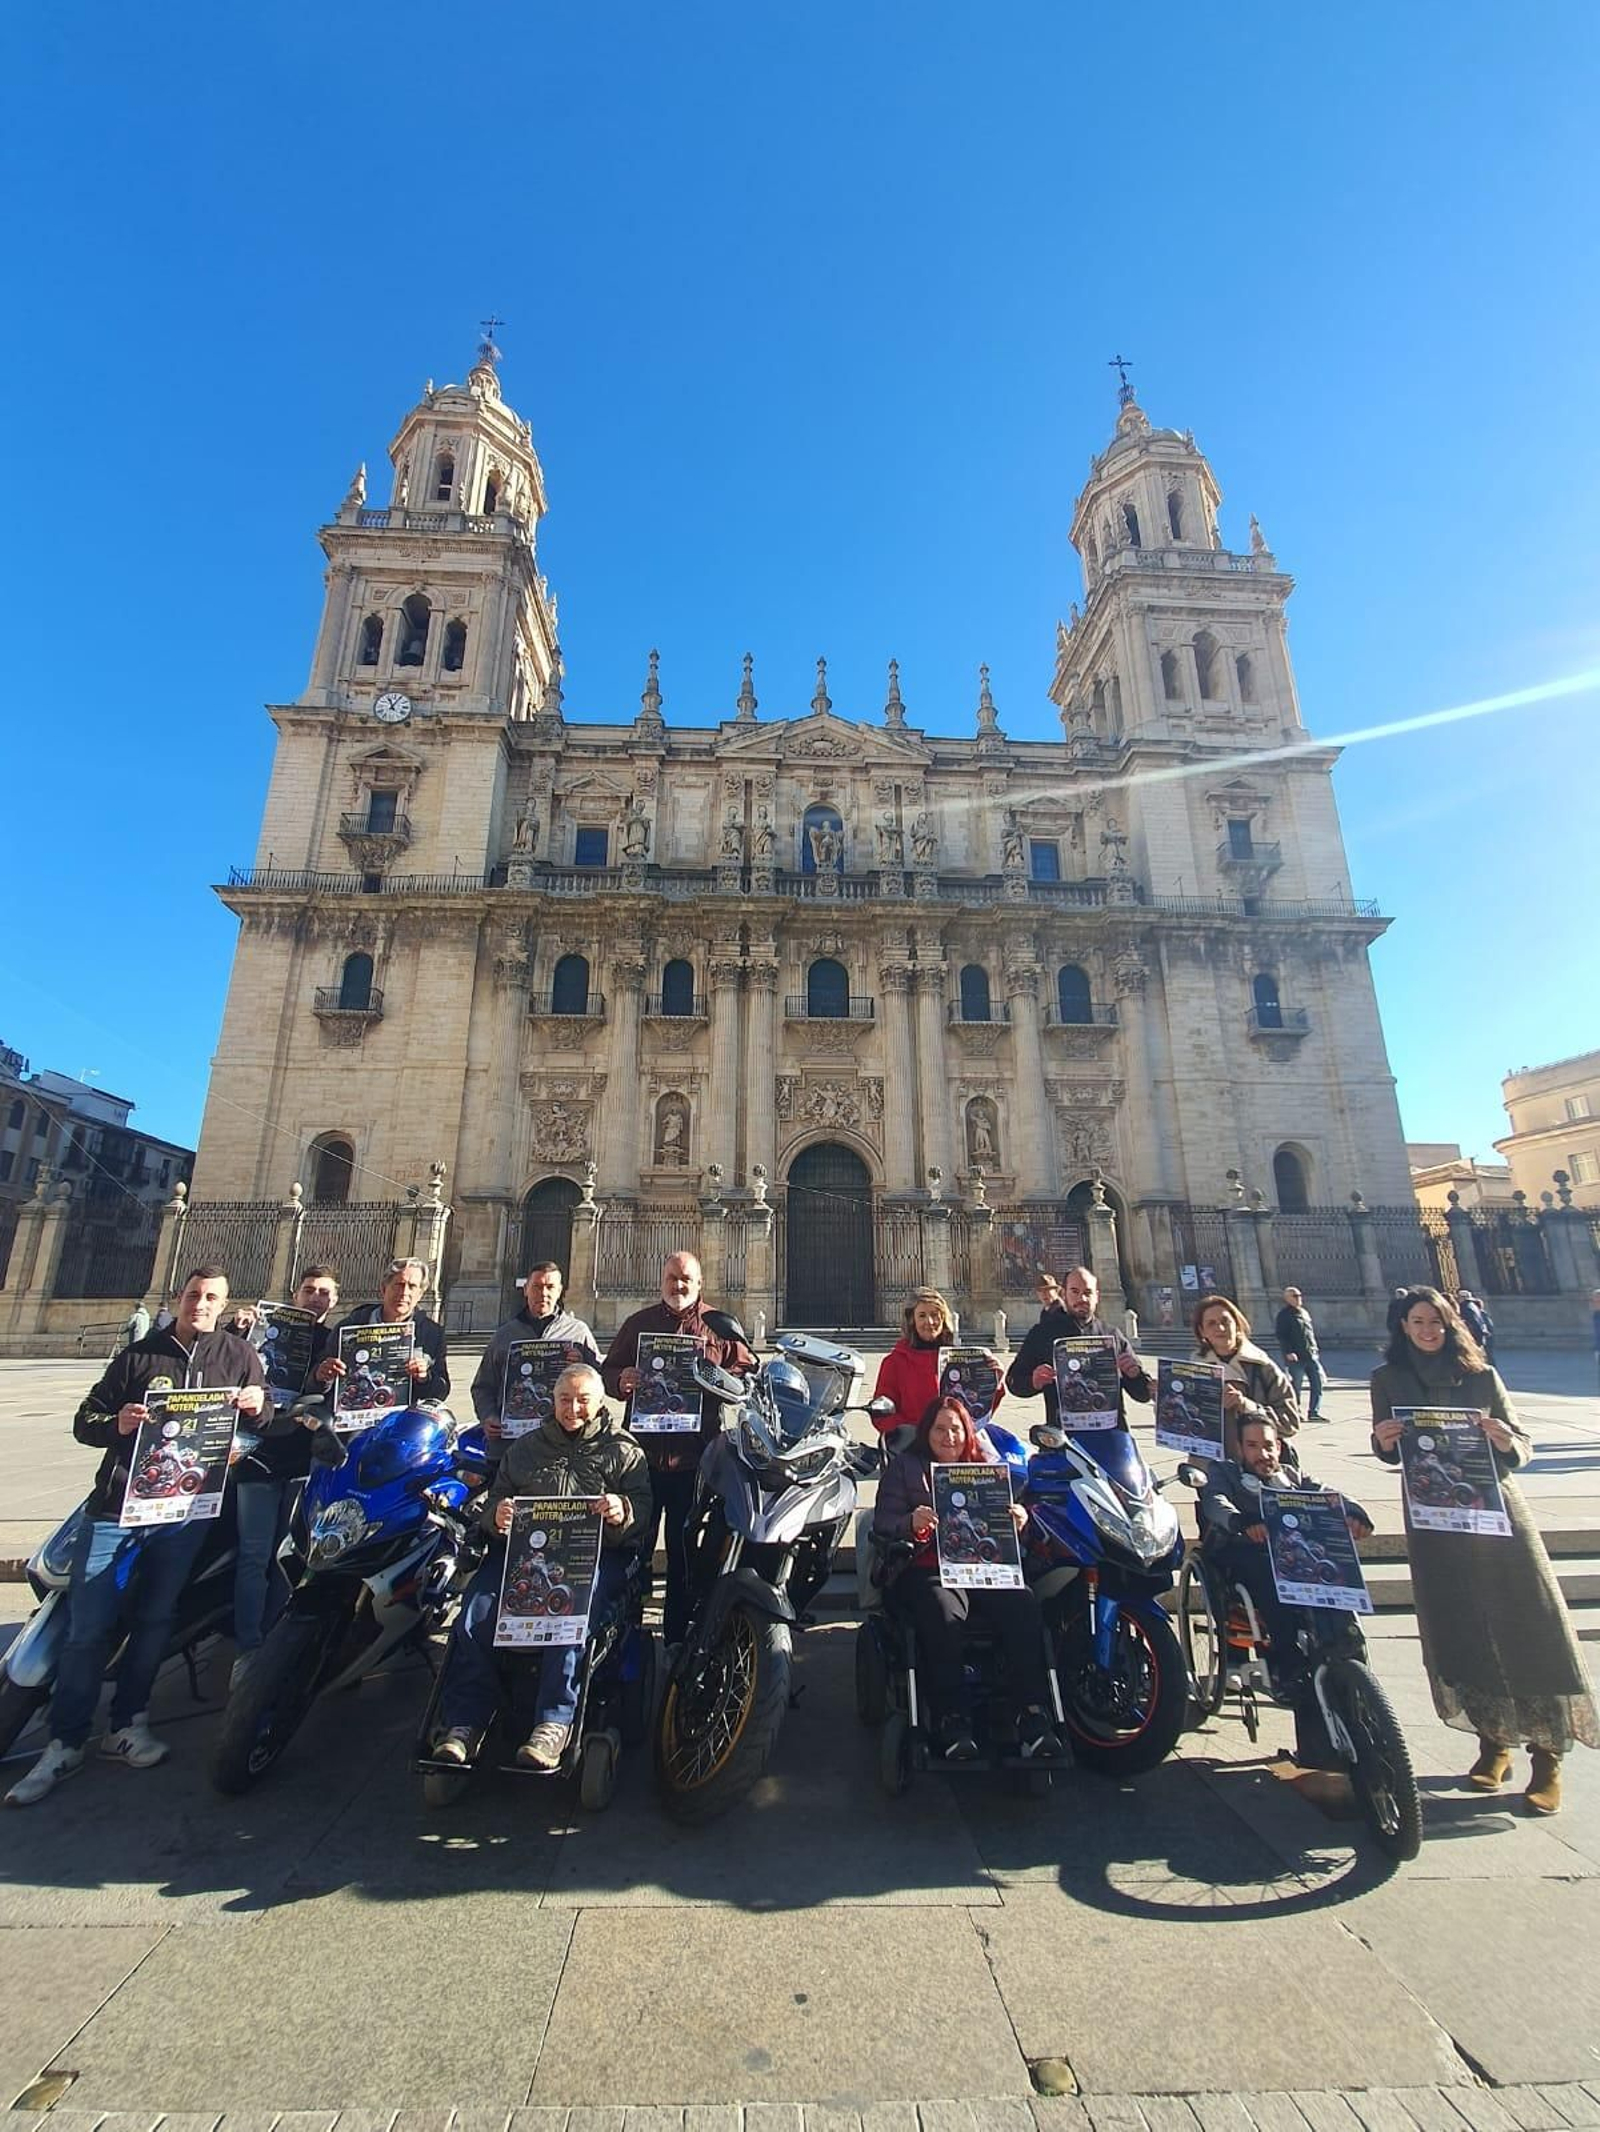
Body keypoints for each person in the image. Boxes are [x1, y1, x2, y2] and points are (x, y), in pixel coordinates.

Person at [7, 1267, 267, 1807]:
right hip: (117, 1509)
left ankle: (127, 1723)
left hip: (185, 1513)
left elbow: (262, 1419)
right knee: (87, 1627)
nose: (200, 1304)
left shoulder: (238, 1356)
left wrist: (255, 1408)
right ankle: (65, 1740)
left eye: (211, 1297)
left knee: (155, 1619)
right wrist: (118, 1423)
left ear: (224, 1305)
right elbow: (86, 1420)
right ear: (178, 1297)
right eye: (193, 1295)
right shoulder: (138, 1356)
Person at [1370, 1285, 1597, 1816]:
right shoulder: (1387, 1380)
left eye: (1436, 1322)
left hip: (1496, 1515)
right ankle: (1493, 1742)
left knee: (1530, 1623)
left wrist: (1504, 1440)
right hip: (1435, 1522)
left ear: (1450, 1325)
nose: (1427, 1330)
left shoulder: (1482, 1376)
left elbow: (1522, 1445)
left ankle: (1548, 1757)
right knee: (1460, 1626)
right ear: (1403, 1326)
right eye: (1417, 1321)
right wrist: (1383, 1440)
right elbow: (1388, 1452)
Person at [431, 1365, 653, 1769]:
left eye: (583, 1400)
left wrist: (623, 1510)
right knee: (474, 1612)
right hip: (524, 1557)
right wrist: (497, 1515)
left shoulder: (624, 1450)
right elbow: (493, 1502)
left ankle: (554, 1721)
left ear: (600, 1402)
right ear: (552, 1401)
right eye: (565, 1400)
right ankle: (465, 1720)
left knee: (570, 1613)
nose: (573, 1409)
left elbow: (643, 1509)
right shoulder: (526, 1448)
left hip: (592, 1557)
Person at [873, 1396, 1061, 1762]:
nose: (948, 1437)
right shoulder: (906, 1468)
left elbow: (1009, 1531)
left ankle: (1032, 1714)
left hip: (982, 1568)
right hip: (927, 1567)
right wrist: (910, 1522)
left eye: (956, 1429)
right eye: (940, 1429)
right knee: (943, 1614)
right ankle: (952, 1718)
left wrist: (1018, 1521)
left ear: (967, 1433)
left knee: (1023, 1604)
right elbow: (883, 1522)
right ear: (927, 1431)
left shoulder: (985, 1469)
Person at [1195, 1414, 1372, 1770]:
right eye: (1253, 1446)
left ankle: (1346, 1640)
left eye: (1268, 1446)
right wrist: (1241, 1521)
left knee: (1329, 1570)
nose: (1263, 1453)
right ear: (1240, 1448)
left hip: (1293, 1556)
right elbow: (1215, 1502)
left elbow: (1328, 1494)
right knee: (1267, 1578)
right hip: (1244, 1552)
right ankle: (1285, 1661)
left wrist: (1354, 1511)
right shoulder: (1225, 1473)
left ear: (1279, 1447)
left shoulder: (1293, 1476)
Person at [599, 1252, 754, 1644]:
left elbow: (746, 1371)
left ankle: (677, 1635)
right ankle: (627, 1632)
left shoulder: (718, 1326)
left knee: (686, 1554)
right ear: (662, 1280)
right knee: (634, 1547)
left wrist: (718, 1380)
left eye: (686, 1279)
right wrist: (621, 1380)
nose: (678, 1285)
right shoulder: (639, 1325)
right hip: (642, 1461)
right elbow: (607, 1372)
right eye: (672, 1277)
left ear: (700, 1283)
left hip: (695, 1461)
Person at [229, 1265, 341, 1689]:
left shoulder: (333, 1341)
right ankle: (248, 1648)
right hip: (258, 1456)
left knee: (287, 1556)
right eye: (309, 1290)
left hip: (301, 1459)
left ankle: (276, 1641)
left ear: (334, 1300)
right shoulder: (262, 1332)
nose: (316, 1297)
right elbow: (229, 1363)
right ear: (295, 1294)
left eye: (324, 1292)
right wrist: (238, 1329)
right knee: (254, 1555)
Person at [1005, 1265, 1151, 1433]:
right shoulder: (1042, 1334)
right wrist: (1033, 1381)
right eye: (1075, 1291)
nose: (1082, 1298)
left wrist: (1134, 1375)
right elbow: (1014, 1381)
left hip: (1112, 1432)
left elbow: (1142, 1394)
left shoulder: (1112, 1335)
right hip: (1063, 1434)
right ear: (1063, 1294)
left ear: (1097, 1296)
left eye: (1088, 1292)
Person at [470, 1262, 599, 1453]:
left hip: (563, 1443)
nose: (543, 1293)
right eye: (537, 1286)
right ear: (526, 1290)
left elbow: (600, 1381)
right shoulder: (504, 1335)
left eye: (550, 1287)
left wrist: (583, 1368)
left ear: (560, 1291)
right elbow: (483, 1386)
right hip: (511, 1445)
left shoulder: (578, 1332)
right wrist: (488, 1416)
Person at [315, 1256, 450, 1406]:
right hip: (351, 1412)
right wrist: (322, 1375)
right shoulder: (349, 1326)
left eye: (412, 1286)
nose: (404, 1292)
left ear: (420, 1294)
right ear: (384, 1289)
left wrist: (425, 1378)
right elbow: (315, 1384)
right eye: (399, 1285)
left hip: (403, 1415)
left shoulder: (432, 1334)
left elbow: (441, 1392)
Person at [1191, 1292, 1301, 1461]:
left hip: (1259, 1463)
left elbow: (1290, 1423)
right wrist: (1164, 1397)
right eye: (1211, 1323)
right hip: (1209, 1466)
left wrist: (1246, 1405)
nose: (1220, 1328)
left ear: (1237, 1325)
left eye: (1225, 1321)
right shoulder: (1193, 1369)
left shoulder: (1263, 1366)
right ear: (1202, 1331)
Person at [872, 1288, 959, 1437]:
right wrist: (912, 1433)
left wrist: (993, 1381)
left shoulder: (958, 1359)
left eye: (934, 1315)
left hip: (953, 1443)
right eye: (922, 1315)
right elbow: (881, 1414)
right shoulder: (894, 1363)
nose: (929, 1322)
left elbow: (976, 1411)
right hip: (913, 1444)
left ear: (944, 1318)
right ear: (912, 1320)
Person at [1273, 1286, 1328, 1423]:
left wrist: (1315, 1348)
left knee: (1317, 1384)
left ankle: (1314, 1412)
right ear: (1287, 1299)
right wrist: (1288, 1352)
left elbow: (1310, 1334)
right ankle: (1295, 1412)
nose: (1299, 1298)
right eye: (1295, 1296)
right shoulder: (1284, 1315)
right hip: (1296, 1357)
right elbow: (1282, 1335)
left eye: (1299, 1295)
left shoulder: (1304, 1313)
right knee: (1295, 1386)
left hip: (1311, 1355)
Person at [1456, 1289, 1496, 1364]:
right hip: (1481, 1335)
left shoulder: (1465, 1307)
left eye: (1459, 1298)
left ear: (1462, 1298)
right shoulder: (1473, 1306)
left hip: (1474, 1337)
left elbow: (1473, 1322)